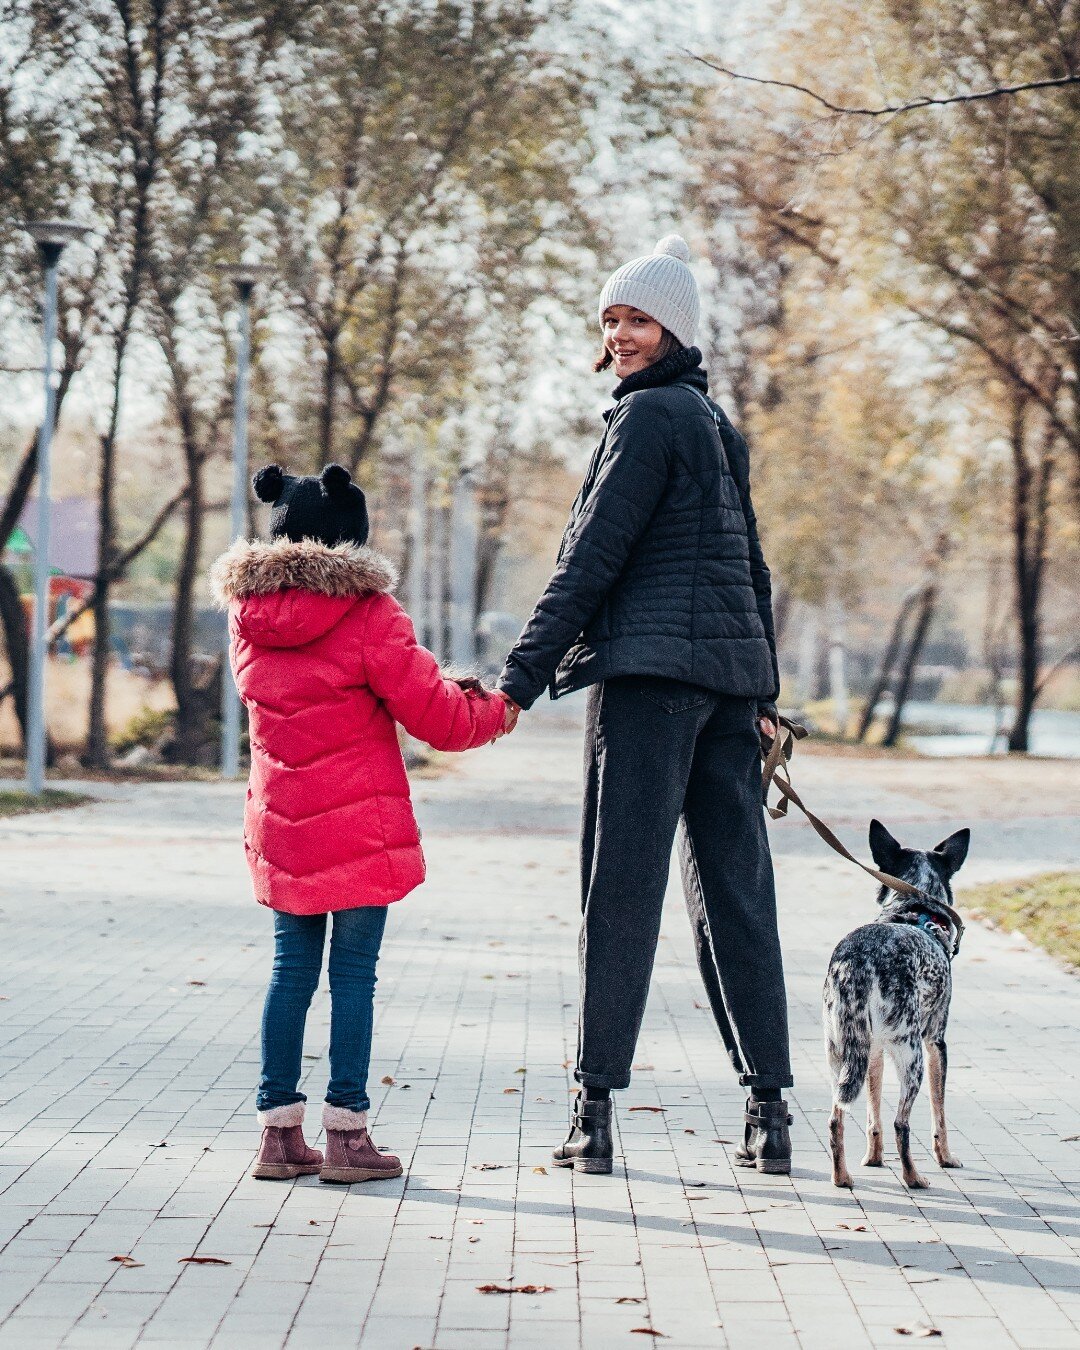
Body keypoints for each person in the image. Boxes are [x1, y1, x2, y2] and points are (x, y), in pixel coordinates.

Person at [497, 236, 793, 1175]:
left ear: (677, 328)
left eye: (637, 318)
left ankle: (593, 1115)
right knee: (738, 897)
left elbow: (588, 560)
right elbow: (754, 573)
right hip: (729, 696)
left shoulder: (646, 421)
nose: (621, 335)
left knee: (620, 894)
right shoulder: (715, 425)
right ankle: (771, 1114)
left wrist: (516, 680)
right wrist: (766, 695)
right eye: (611, 320)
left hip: (650, 690)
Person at [212, 463, 514, 1184]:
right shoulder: (370, 613)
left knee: (290, 974)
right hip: (356, 829)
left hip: (283, 823)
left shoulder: (247, 619)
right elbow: (436, 718)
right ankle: (346, 1136)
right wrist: (498, 709)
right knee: (353, 978)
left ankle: (277, 1138)